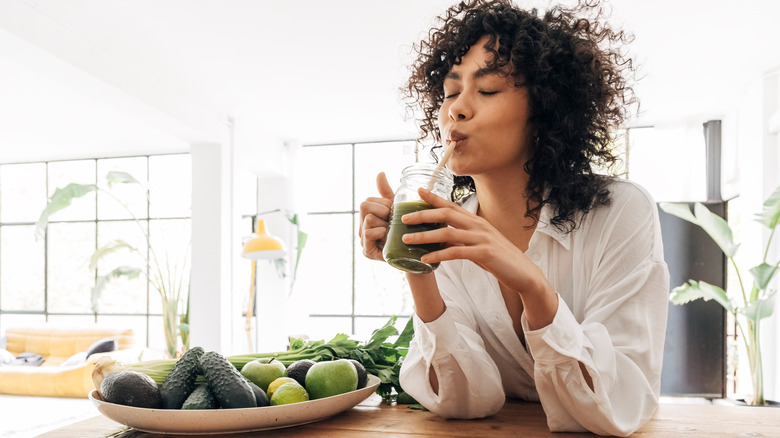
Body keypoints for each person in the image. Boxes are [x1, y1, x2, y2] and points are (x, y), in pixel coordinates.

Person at [358, 0, 669, 435]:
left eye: (486, 91)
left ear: (544, 109)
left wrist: (533, 285)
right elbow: (463, 402)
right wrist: (417, 265)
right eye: (450, 92)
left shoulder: (620, 212)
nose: (456, 110)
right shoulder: (445, 229)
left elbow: (620, 403)